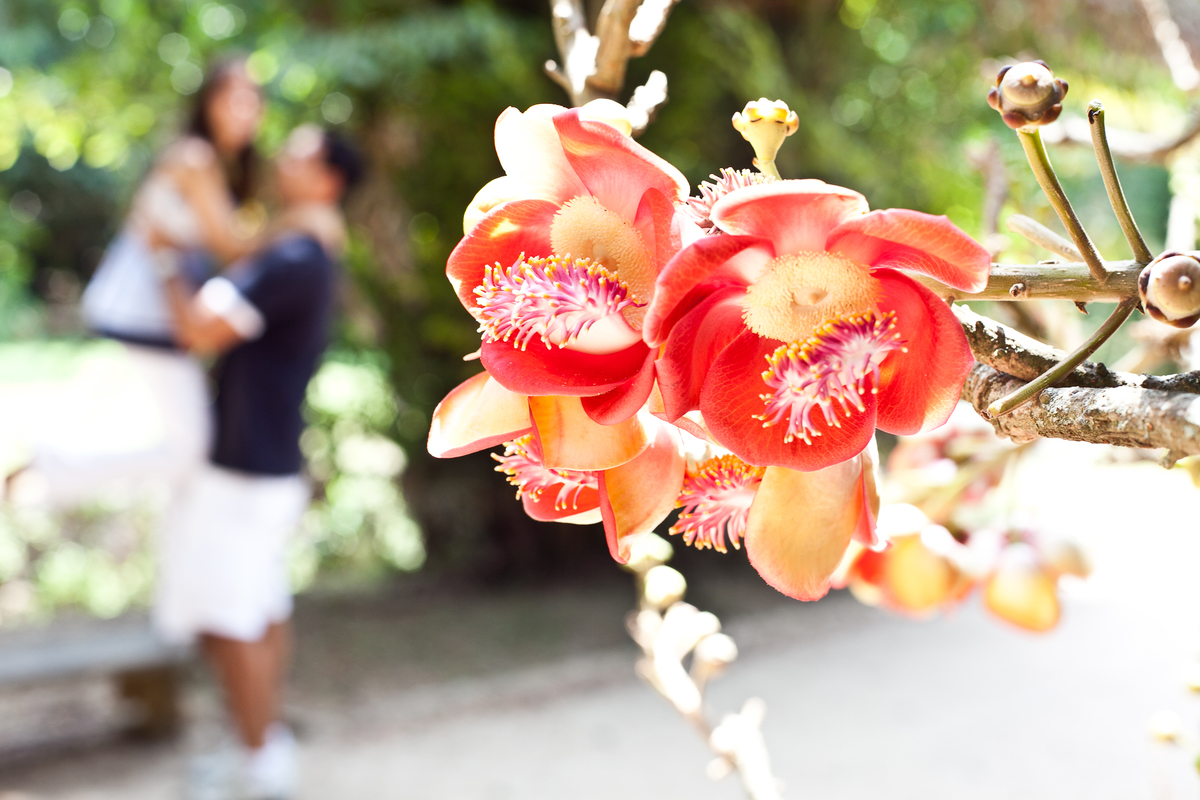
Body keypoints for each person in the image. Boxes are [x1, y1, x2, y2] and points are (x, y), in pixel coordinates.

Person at [156, 124, 363, 800]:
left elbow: (196, 330)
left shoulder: (294, 259)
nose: (282, 159)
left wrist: (166, 260)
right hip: (268, 467)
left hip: (245, 472)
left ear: (328, 180)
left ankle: (259, 761)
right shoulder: (303, 253)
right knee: (261, 610)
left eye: (300, 154)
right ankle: (260, 745)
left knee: (231, 619)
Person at [7, 58, 265, 506]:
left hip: (160, 307)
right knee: (188, 446)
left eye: (252, 97)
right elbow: (229, 243)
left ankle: (50, 467)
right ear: (207, 103)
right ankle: (45, 466)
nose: (244, 108)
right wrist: (307, 222)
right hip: (144, 307)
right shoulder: (195, 157)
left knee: (184, 439)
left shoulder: (218, 164)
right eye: (231, 96)